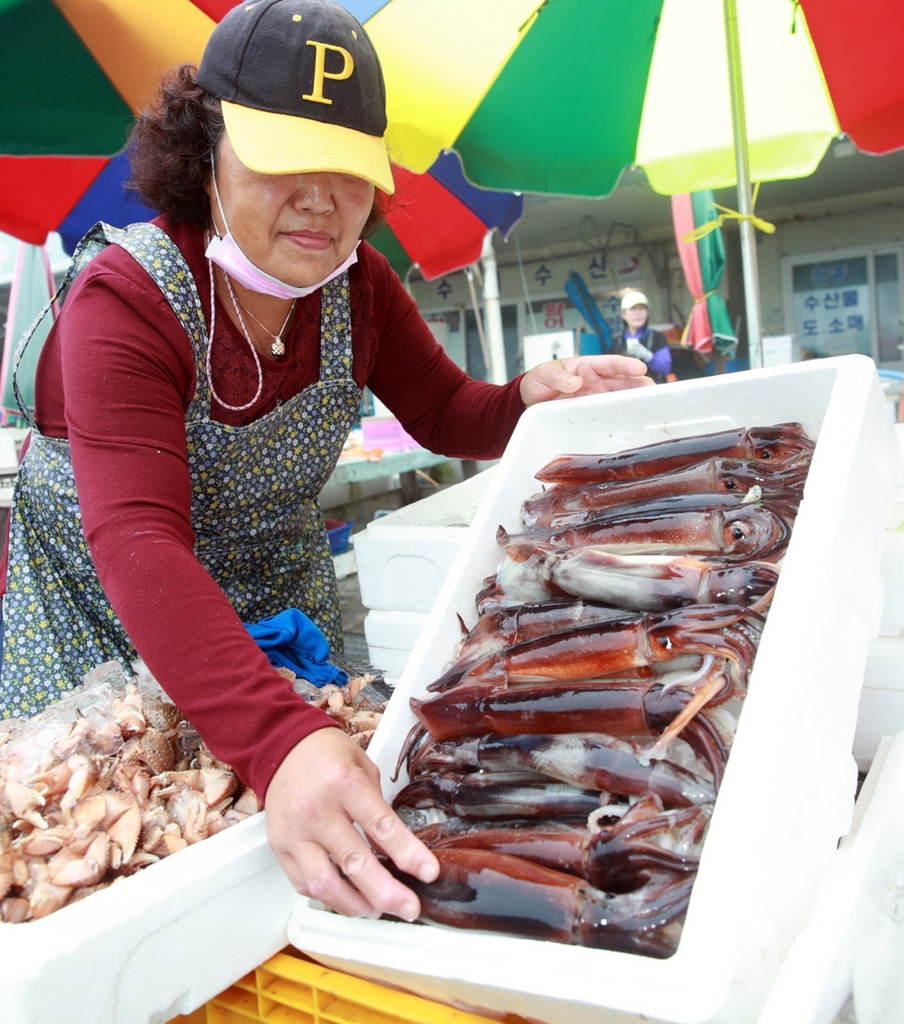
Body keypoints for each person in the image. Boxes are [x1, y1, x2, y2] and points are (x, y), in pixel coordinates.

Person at [0, 0, 652, 923]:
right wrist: (275, 739)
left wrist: (527, 400)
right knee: (111, 849)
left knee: (300, 877)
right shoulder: (126, 295)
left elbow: (444, 410)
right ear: (209, 151)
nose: (320, 196)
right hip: (107, 623)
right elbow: (137, 537)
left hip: (273, 604)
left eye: (348, 170)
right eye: (280, 158)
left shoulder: (360, 288)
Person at [612, 291, 673, 384]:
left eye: (642, 308)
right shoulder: (617, 341)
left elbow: (665, 368)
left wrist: (647, 356)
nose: (637, 313)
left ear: (647, 312)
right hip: (626, 390)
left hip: (653, 389)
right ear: (623, 314)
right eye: (632, 309)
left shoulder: (657, 337)